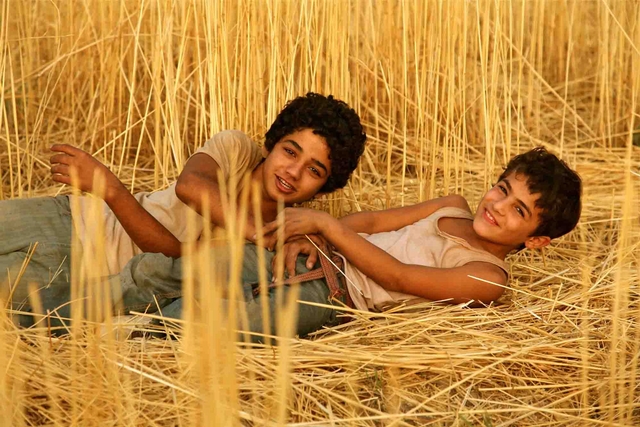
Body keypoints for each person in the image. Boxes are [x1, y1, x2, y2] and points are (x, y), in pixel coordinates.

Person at [106, 146, 582, 342]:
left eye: (518, 210)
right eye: (502, 188)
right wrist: (316, 234)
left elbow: (397, 276)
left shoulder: (487, 277)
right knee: (176, 270)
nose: (497, 205)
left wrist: (327, 227)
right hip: (312, 253)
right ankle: (82, 313)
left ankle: (132, 340)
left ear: (536, 239)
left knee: (226, 322)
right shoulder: (452, 206)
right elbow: (371, 221)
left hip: (333, 296)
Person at [1, 93, 367, 327]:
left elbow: (174, 260)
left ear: (325, 187)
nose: (293, 172)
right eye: (290, 151)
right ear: (272, 144)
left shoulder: (282, 241)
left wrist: (112, 189)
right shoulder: (236, 150)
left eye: (314, 170)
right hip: (77, 219)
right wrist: (264, 235)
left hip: (93, 273)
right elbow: (190, 186)